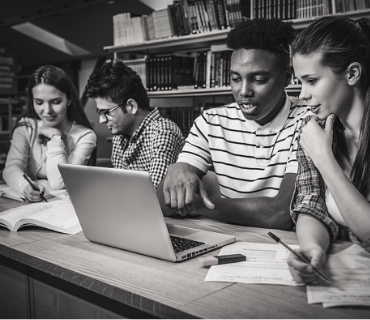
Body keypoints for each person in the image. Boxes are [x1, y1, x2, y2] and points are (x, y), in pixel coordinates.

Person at [157, 18, 310, 229]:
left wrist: (196, 205)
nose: (244, 91)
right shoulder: (210, 122)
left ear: (286, 78)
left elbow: (281, 213)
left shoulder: (307, 120)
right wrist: (178, 169)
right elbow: (163, 202)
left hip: (287, 247)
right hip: (230, 237)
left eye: (258, 79)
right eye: (236, 78)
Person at [287, 16, 370, 284]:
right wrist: (312, 248)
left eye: (311, 81)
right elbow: (312, 204)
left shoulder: (316, 142)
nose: (301, 94)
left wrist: (324, 159)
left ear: (352, 74)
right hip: (349, 274)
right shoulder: (313, 128)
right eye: (300, 81)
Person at [3, 65, 97, 202]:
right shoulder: (26, 127)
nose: (47, 111)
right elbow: (11, 168)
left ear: (69, 99)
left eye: (56, 102)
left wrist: (55, 137)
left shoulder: (85, 136)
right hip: (29, 207)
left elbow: (59, 183)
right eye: (39, 102)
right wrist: (25, 186)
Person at [85, 62, 184, 189]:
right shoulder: (120, 135)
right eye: (99, 112)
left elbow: (153, 196)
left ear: (131, 106)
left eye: (106, 112)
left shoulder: (164, 133)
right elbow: (121, 187)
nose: (101, 120)